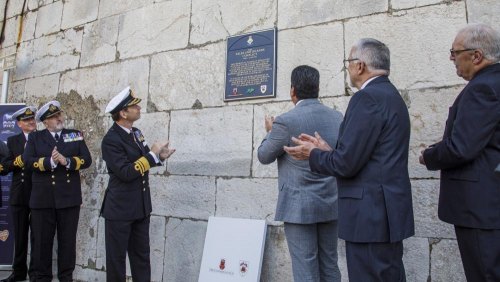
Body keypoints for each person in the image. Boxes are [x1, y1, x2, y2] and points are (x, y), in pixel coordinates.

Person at [284, 38, 414, 281]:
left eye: (348, 62)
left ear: (360, 66)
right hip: (385, 213)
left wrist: (312, 154)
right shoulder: (390, 95)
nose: (347, 69)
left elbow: (346, 164)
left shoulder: (366, 98)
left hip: (370, 216)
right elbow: (365, 154)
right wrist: (325, 149)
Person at [419, 23, 500, 281]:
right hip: (488, 205)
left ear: (476, 56)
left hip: (481, 208)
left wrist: (428, 155)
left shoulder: (483, 88)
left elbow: (462, 147)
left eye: (455, 52)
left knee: (484, 273)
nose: (452, 58)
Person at [258, 65, 343, 282]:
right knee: (330, 264)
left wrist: (270, 132)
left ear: (292, 90)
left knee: (305, 267)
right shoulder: (337, 117)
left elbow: (264, 156)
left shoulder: (285, 122)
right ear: (317, 88)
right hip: (330, 202)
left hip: (299, 206)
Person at [100, 86, 175, 282]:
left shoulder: (136, 132)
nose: (139, 107)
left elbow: (142, 162)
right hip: (120, 209)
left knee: (141, 257)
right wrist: (151, 154)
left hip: (140, 206)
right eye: (134, 106)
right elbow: (125, 172)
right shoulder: (111, 140)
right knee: (116, 262)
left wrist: (159, 157)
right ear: (123, 113)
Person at [23, 101, 92, 282]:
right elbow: (28, 161)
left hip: (68, 198)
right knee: (41, 242)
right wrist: (49, 162)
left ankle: (66, 276)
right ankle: (40, 277)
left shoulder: (74, 135)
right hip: (42, 199)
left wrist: (66, 161)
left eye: (59, 114)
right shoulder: (35, 138)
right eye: (53, 117)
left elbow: (87, 159)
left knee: (67, 242)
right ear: (45, 122)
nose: (59, 118)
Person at [0, 106, 37, 282]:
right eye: (27, 120)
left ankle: (37, 273)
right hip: (19, 193)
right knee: (20, 236)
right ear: (19, 124)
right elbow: (5, 166)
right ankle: (19, 272)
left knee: (39, 236)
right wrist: (20, 160)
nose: (31, 122)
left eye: (32, 119)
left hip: (39, 193)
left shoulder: (42, 138)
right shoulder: (13, 141)